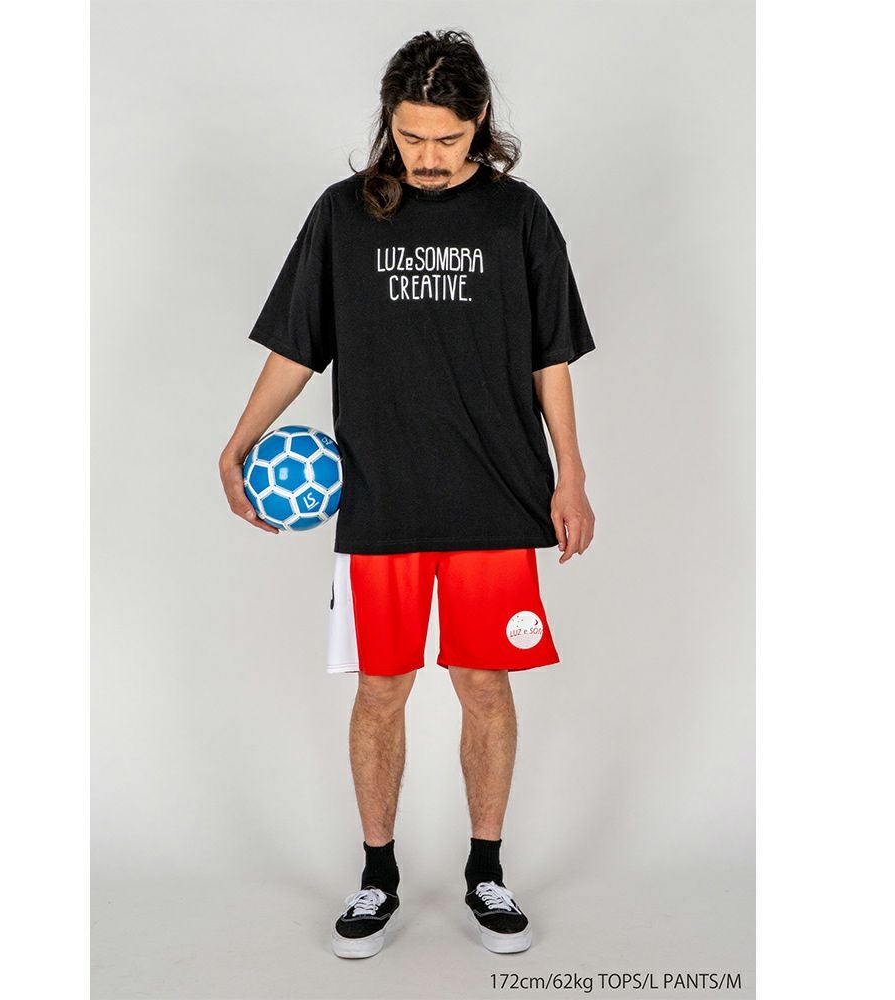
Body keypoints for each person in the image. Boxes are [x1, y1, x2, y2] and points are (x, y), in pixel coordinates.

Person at [218, 28, 596, 958]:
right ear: (389, 122)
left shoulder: (519, 217)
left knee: (484, 683)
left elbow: (550, 357)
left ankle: (487, 872)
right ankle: (377, 877)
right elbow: (299, 346)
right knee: (381, 687)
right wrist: (239, 440)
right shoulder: (344, 214)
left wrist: (572, 472)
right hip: (380, 496)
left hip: (495, 492)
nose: (427, 157)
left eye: (447, 139)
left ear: (481, 123)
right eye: (411, 135)